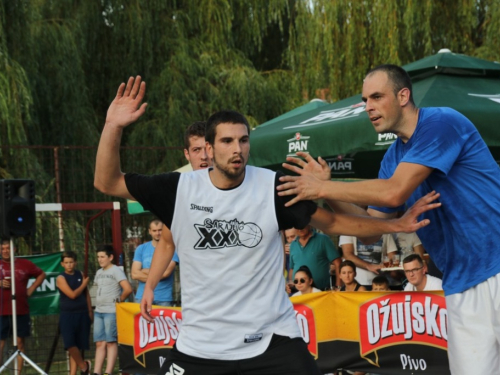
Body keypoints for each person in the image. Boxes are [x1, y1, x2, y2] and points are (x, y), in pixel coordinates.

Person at [93, 76, 439, 375]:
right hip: (202, 345)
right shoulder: (178, 189)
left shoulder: (273, 187)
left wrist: (397, 224)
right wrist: (113, 127)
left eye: (243, 140)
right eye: (227, 142)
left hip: (271, 340)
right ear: (209, 150)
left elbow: (332, 222)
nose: (237, 149)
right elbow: (107, 182)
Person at [278, 63, 500, 374]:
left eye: (377, 97)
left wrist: (324, 185)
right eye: (365, 99)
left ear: (404, 95)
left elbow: (394, 193)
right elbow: (369, 231)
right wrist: (329, 194)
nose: (368, 107)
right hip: (461, 284)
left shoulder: (442, 122)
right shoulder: (392, 159)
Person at [0, 240, 45, 373]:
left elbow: (42, 274)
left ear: (14, 250)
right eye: (2, 249)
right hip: (1, 311)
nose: (5, 251)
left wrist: (31, 289)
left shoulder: (25, 264)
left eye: (8, 248)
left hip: (20, 310)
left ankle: (18, 372)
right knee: (1, 343)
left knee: (20, 343)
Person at [93, 245, 133, 375]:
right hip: (99, 311)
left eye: (102, 257)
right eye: (98, 257)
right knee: (99, 343)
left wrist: (119, 300)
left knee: (110, 342)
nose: (100, 260)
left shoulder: (116, 271)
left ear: (110, 257)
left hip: (111, 311)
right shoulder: (99, 272)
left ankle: (108, 371)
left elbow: (127, 289)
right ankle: (96, 372)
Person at [56, 250, 93, 375]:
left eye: (71, 262)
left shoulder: (80, 274)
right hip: (67, 314)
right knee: (70, 344)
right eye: (66, 262)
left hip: (82, 313)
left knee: (79, 345)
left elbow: (86, 294)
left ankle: (73, 373)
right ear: (62, 264)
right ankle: (84, 367)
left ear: (75, 263)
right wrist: (84, 284)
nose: (69, 265)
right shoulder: (60, 278)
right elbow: (72, 295)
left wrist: (89, 311)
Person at [131, 219, 179, 306]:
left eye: (160, 230)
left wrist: (144, 270)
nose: (157, 233)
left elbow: (165, 273)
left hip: (163, 298)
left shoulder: (172, 249)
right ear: (149, 231)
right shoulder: (141, 249)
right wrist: (157, 273)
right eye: (154, 230)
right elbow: (134, 274)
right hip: (142, 297)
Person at [289, 225, 341, 291]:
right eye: (297, 226)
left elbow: (338, 263)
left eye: (302, 225)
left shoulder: (323, 239)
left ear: (309, 224)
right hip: (299, 293)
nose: (300, 229)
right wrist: (291, 281)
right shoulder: (293, 244)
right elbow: (292, 268)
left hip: (321, 292)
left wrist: (338, 286)